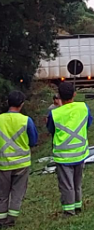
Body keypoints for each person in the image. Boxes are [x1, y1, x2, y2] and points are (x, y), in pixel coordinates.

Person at [47, 82, 92, 216]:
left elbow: (51, 129)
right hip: (80, 152)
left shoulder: (54, 113)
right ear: (74, 94)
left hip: (63, 155)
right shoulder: (83, 107)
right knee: (77, 182)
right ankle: (78, 206)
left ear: (59, 96)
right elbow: (88, 123)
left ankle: (69, 210)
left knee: (66, 185)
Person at [0, 91, 38, 227]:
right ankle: (11, 219)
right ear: (21, 104)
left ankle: (1, 218)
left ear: (7, 103)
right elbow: (33, 140)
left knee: (2, 193)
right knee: (18, 191)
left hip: (3, 163)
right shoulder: (26, 120)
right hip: (22, 163)